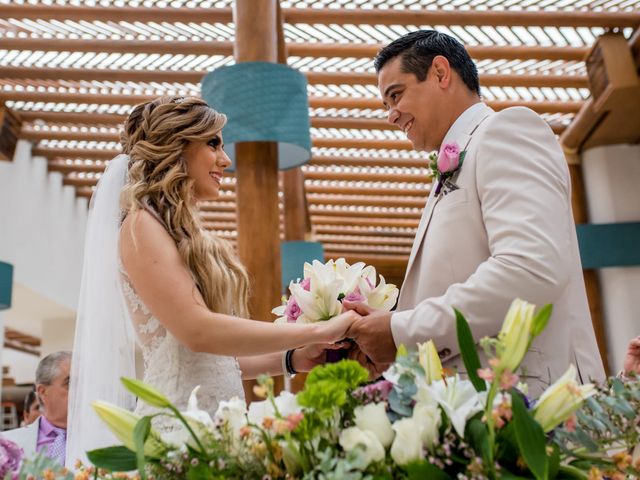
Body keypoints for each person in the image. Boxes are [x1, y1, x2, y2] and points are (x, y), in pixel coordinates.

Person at [66, 96, 358, 467]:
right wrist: (318, 332)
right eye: (214, 143)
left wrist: (294, 358)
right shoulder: (141, 226)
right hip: (180, 432)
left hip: (213, 424)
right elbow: (197, 332)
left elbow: (208, 359)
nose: (226, 160)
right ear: (177, 145)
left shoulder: (176, 232)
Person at [344, 30, 605, 395]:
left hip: (533, 404)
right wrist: (395, 340)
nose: (391, 116)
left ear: (440, 72)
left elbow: (530, 269)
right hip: (474, 407)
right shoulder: (455, 162)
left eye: (395, 95)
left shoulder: (507, 130)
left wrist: (401, 330)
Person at [2, 352, 70, 464]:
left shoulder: (104, 443)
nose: (79, 391)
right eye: (70, 383)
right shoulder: (7, 444)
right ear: (43, 392)